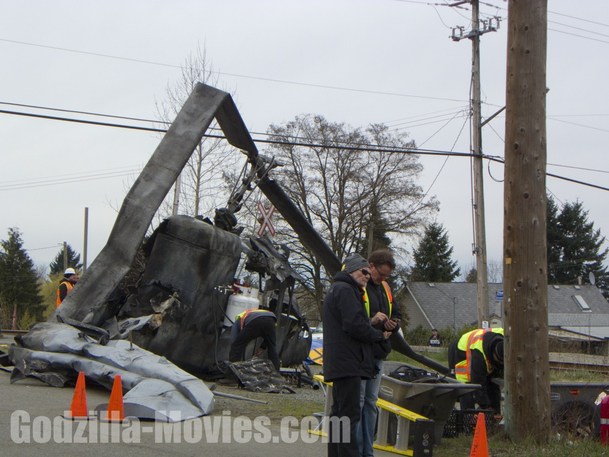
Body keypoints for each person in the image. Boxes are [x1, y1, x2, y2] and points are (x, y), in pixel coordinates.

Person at [323, 253, 391, 457]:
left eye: (369, 274)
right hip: (348, 362)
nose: (367, 277)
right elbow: (354, 325)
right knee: (349, 415)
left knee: (339, 415)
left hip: (341, 362)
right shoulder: (346, 290)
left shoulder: (340, 289)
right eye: (364, 272)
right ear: (351, 270)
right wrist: (379, 335)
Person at [357, 249, 400, 457]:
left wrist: (393, 324)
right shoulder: (361, 287)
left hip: (379, 351)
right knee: (360, 401)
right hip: (363, 351)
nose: (382, 278)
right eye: (380, 274)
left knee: (371, 403)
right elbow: (354, 320)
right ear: (371, 266)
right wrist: (373, 320)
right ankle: (358, 449)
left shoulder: (385, 288)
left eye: (386, 276)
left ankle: (368, 451)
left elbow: (397, 313)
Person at [448, 327, 504, 414]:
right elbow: (478, 383)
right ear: (492, 355)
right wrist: (486, 406)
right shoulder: (479, 356)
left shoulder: (506, 337)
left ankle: (494, 416)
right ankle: (468, 420)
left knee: (492, 383)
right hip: (460, 349)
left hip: (478, 344)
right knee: (466, 388)